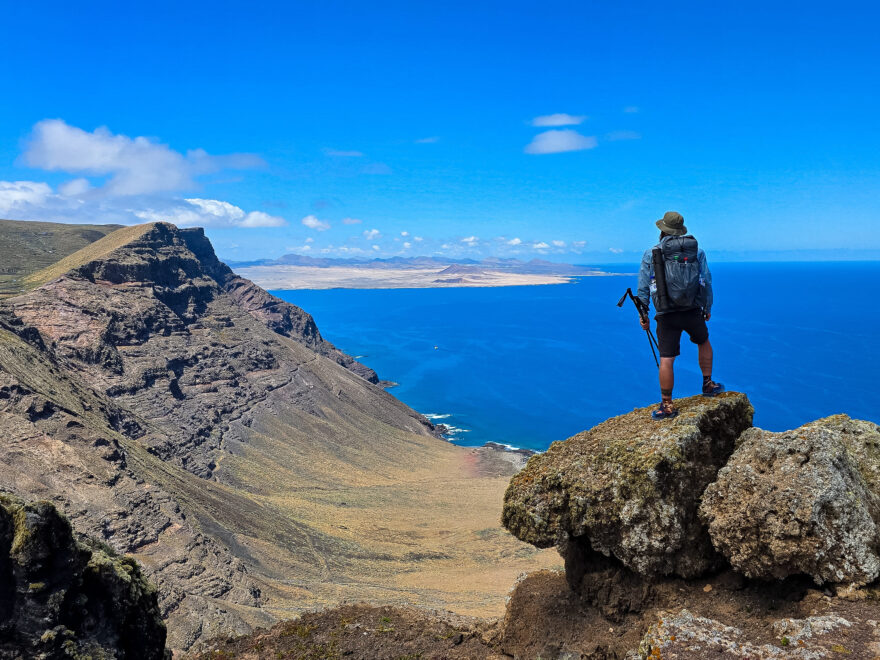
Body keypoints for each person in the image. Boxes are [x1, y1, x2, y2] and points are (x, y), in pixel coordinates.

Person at [637, 211, 723, 420]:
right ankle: (708, 384)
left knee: (666, 358)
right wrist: (707, 307)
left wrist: (644, 313)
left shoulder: (652, 253)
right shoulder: (697, 252)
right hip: (692, 309)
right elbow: (705, 281)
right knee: (704, 342)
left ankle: (667, 405)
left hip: (666, 312)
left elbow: (644, 286)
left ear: (662, 229)